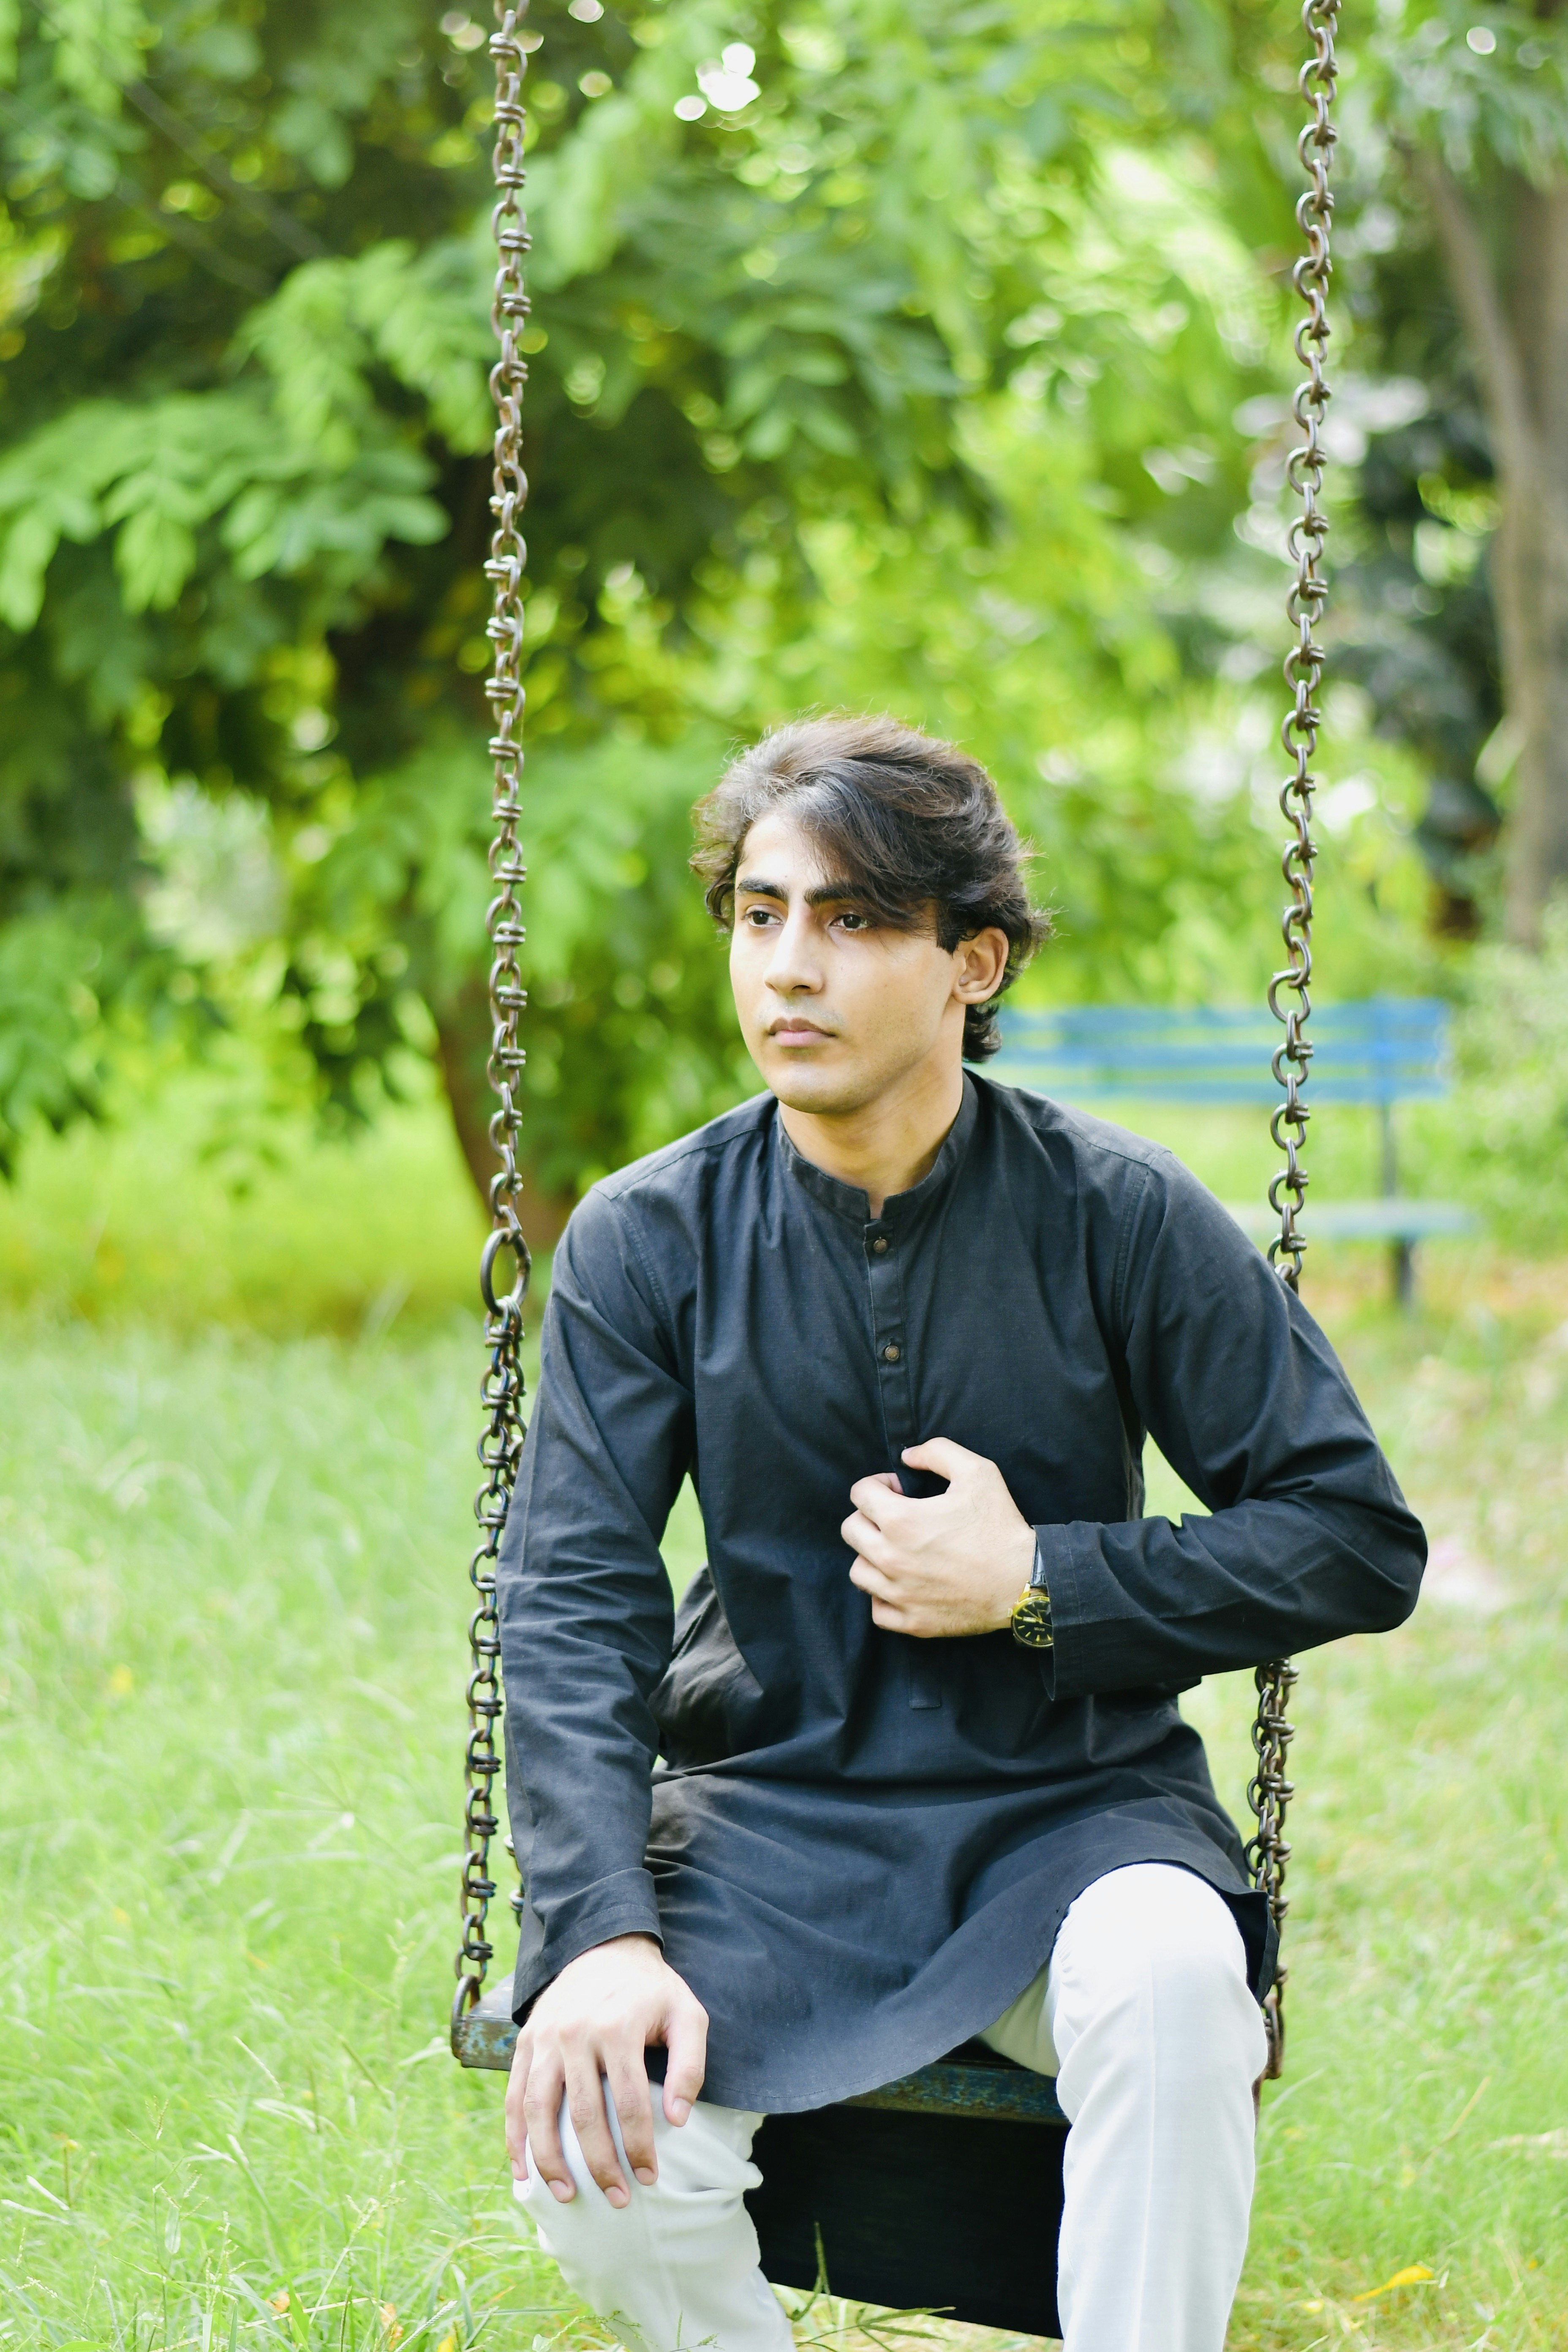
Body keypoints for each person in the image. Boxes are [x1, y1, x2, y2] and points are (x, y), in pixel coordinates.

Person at [496, 715, 1425, 2352]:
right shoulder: (650, 1240)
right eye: (759, 914)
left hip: (1067, 1820)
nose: (789, 966)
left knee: (1173, 1980)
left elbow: (1353, 1535)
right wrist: (596, 1935)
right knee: (594, 2138)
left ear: (969, 962)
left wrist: (1042, 1583)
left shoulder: (1113, 1214)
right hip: (767, 1826)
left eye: (853, 920)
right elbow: (574, 1602)